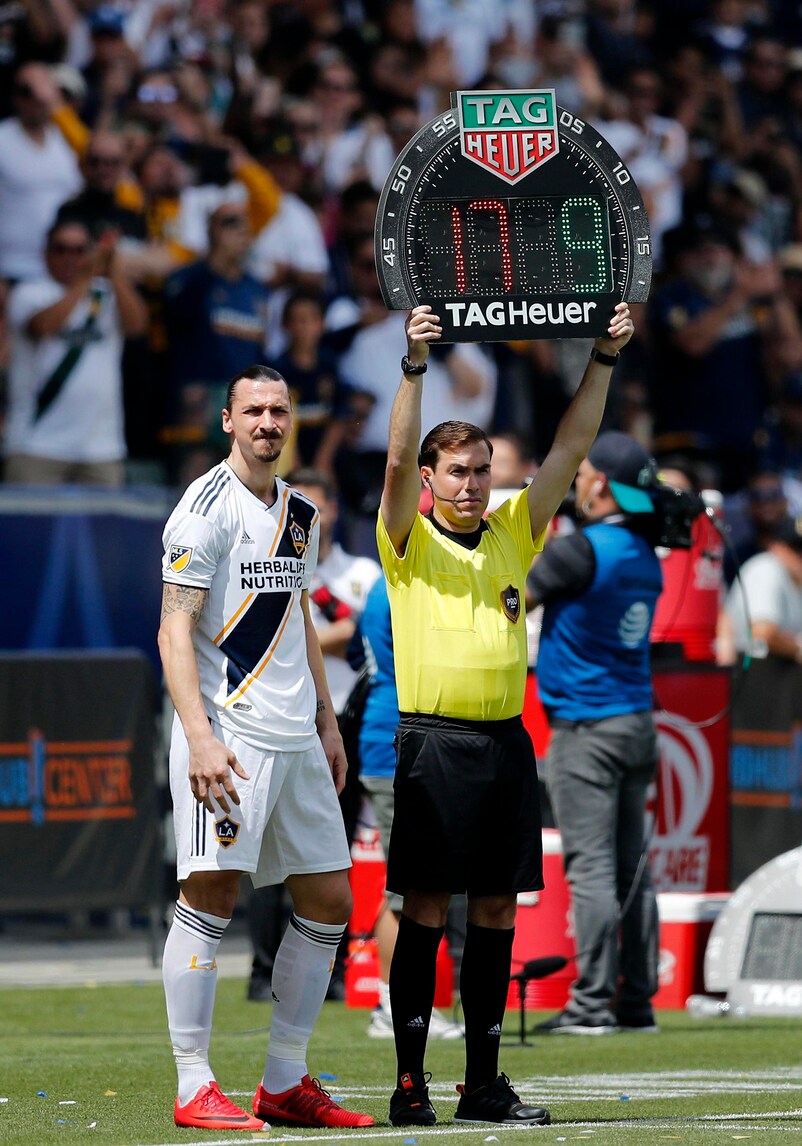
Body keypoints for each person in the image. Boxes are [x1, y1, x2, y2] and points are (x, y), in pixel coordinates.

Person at [377, 301, 634, 1127]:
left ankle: (482, 1084)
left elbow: (570, 449)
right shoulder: (406, 538)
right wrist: (416, 366)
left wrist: (602, 357)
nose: (472, 484)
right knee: (426, 911)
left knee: (494, 910)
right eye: (457, 472)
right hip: (434, 745)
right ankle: (410, 1083)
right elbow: (393, 460)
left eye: (482, 471)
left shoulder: (513, 531)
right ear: (429, 481)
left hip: (505, 745)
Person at [157, 364, 375, 1132]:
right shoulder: (202, 509)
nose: (267, 423)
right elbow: (173, 630)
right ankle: (193, 1085)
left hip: (297, 736)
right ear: (228, 420)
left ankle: (284, 1080)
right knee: (212, 895)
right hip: (230, 736)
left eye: (279, 410)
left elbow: (297, 618)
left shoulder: (301, 512)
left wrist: (326, 721)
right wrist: (199, 737)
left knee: (330, 900)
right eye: (253, 410)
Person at [528, 431, 663, 1036]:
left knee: (592, 869)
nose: (575, 481)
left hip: (586, 726)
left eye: (581, 473)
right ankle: (636, 1002)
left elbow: (511, 602)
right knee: (632, 867)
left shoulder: (580, 550)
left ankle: (590, 1005)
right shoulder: (645, 552)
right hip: (637, 721)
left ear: (601, 483)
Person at [245, 465, 380, 1004]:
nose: (306, 517)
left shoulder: (361, 573)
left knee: (332, 853)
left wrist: (299, 635)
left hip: (344, 719)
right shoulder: (262, 566)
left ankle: (333, 970)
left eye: (316, 506)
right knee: (264, 857)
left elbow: (363, 633)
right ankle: (262, 970)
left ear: (333, 511)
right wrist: (320, 634)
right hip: (277, 718)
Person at [354, 576, 464, 1041]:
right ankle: (395, 1004)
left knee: (412, 883)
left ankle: (397, 1001)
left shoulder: (386, 584)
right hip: (399, 743)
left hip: (398, 739)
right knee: (410, 887)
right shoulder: (402, 585)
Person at [3, 219, 147, 485]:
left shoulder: (107, 295)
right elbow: (44, 326)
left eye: (79, 250)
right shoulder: (29, 292)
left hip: (101, 447)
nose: (70, 257)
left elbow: (137, 325)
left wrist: (114, 273)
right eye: (61, 249)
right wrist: (85, 280)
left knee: (107, 515)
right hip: (36, 445)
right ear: (45, 254)